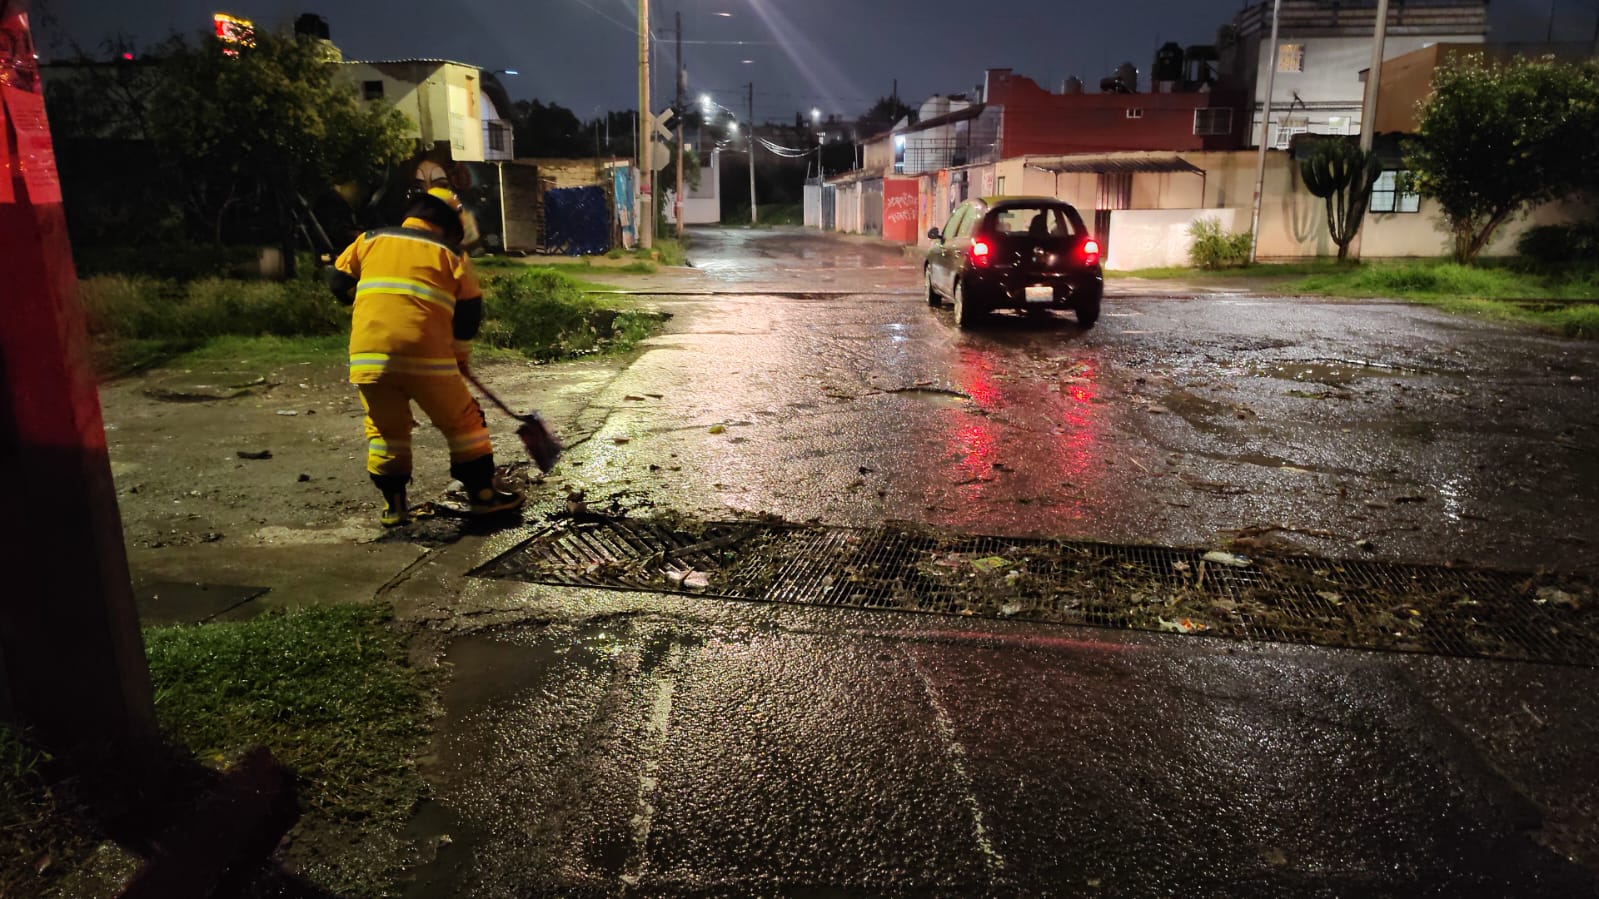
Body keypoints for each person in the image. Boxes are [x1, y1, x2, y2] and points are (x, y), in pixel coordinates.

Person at [326, 187, 522, 526]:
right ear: (449, 224)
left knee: (386, 432)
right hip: (428, 361)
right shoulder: (453, 255)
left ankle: (394, 508)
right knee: (464, 424)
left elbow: (337, 283)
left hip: (369, 360)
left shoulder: (370, 240)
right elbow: (468, 315)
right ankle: (484, 497)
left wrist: (359, 299)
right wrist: (459, 357)